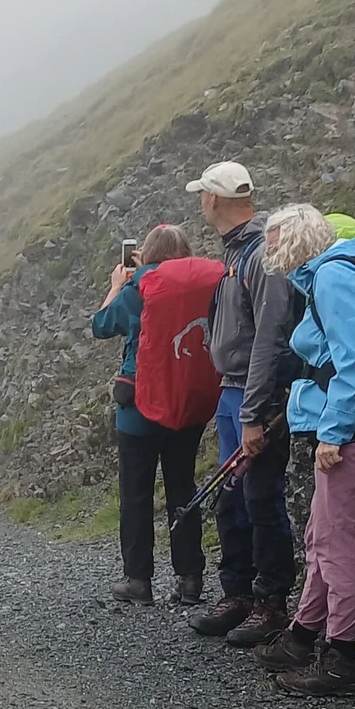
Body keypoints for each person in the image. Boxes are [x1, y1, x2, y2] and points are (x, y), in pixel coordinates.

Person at [248, 206, 355, 696]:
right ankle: (305, 635)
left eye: (275, 240)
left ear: (296, 239)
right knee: (321, 537)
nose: (270, 251)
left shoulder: (333, 278)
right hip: (342, 429)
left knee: (337, 544)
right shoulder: (323, 277)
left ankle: (341, 658)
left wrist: (335, 432)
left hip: (348, 435)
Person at [183, 162, 297, 647]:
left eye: (201, 196)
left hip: (255, 399)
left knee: (261, 498)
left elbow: (269, 339)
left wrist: (253, 413)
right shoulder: (239, 253)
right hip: (234, 391)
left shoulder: (261, 256)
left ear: (212, 199)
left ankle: (271, 601)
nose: (200, 203)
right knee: (233, 497)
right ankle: (239, 593)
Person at [91, 224, 211, 605]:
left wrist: (117, 284)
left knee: (136, 494)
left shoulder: (139, 287)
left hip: (140, 408)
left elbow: (102, 325)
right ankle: (190, 579)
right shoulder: (204, 286)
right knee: (183, 488)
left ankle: (138, 581)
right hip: (187, 404)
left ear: (148, 254)